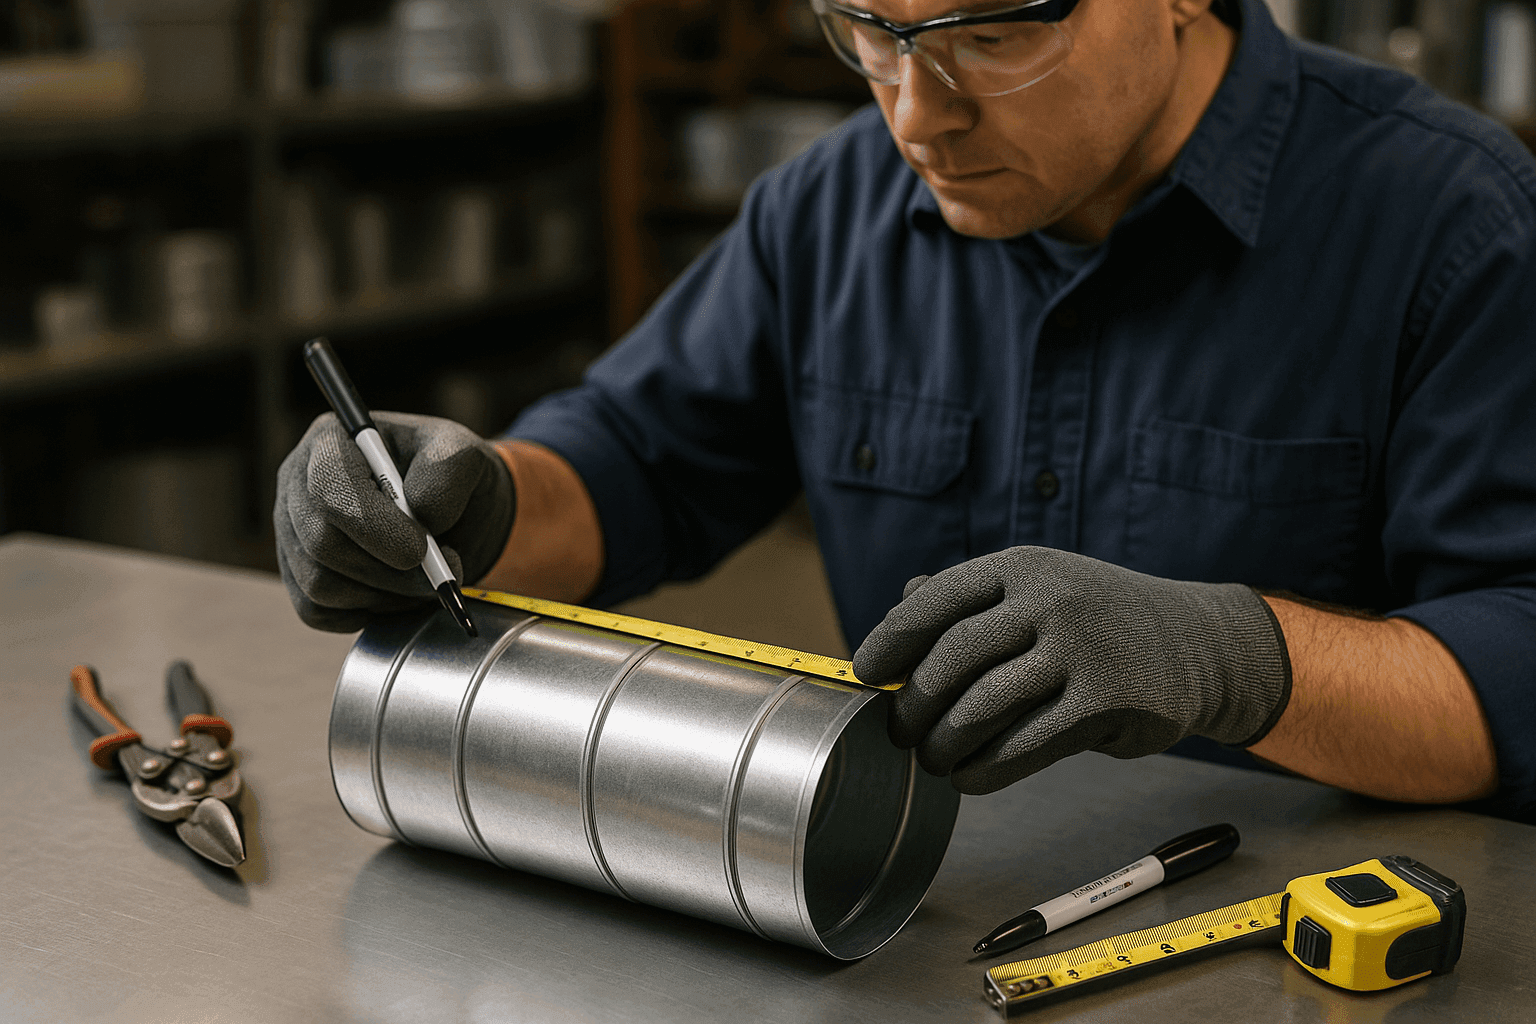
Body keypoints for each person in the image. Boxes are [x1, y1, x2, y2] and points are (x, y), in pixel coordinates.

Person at [274, 0, 1536, 821]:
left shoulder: (1454, 227)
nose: (917, 114)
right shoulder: (823, 213)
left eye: (990, 36)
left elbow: (1518, 667)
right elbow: (636, 464)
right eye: (869, 29)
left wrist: (1233, 660)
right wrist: (471, 500)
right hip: (911, 914)